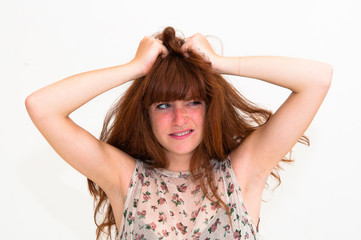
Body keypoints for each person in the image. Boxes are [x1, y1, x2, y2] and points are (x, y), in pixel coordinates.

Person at [25, 27, 333, 240]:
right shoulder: (125, 178)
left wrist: (221, 64)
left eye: (193, 102)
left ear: (210, 108)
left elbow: (318, 79)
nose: (179, 118)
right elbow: (41, 106)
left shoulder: (242, 171)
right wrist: (134, 68)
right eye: (163, 105)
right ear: (145, 113)